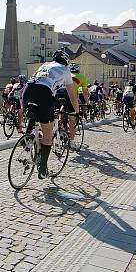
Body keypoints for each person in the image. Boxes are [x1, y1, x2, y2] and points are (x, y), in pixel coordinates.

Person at [23, 49, 79, 179]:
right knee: (47, 134)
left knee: (36, 113)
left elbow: (40, 81)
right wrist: (76, 112)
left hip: (28, 90)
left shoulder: (45, 65)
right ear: (66, 61)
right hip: (44, 93)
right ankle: (43, 169)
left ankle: (27, 138)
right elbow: (72, 95)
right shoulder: (65, 70)